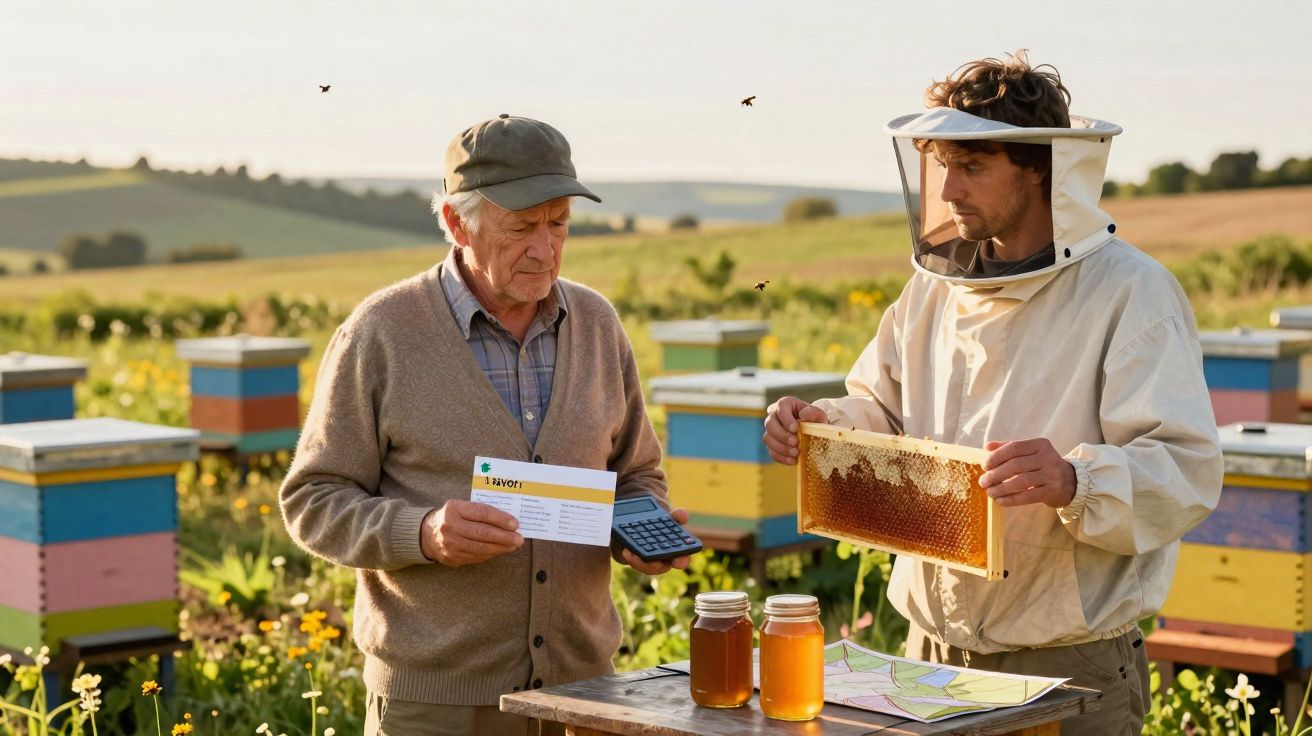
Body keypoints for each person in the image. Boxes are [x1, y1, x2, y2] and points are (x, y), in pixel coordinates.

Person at [762, 51, 1221, 734]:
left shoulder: (1131, 294)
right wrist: (821, 424)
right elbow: (882, 409)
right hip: (931, 653)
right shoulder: (932, 289)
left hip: (1070, 666)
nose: (948, 191)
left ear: (1040, 167)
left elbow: (1184, 470)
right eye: (943, 165)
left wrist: (1073, 478)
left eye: (971, 167)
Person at [280, 114, 691, 736]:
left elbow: (636, 473)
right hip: (435, 706)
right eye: (522, 226)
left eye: (559, 225)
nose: (545, 247)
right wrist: (422, 532)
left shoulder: (598, 324)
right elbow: (312, 498)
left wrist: (640, 528)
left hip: (585, 693)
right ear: (454, 222)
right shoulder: (382, 332)